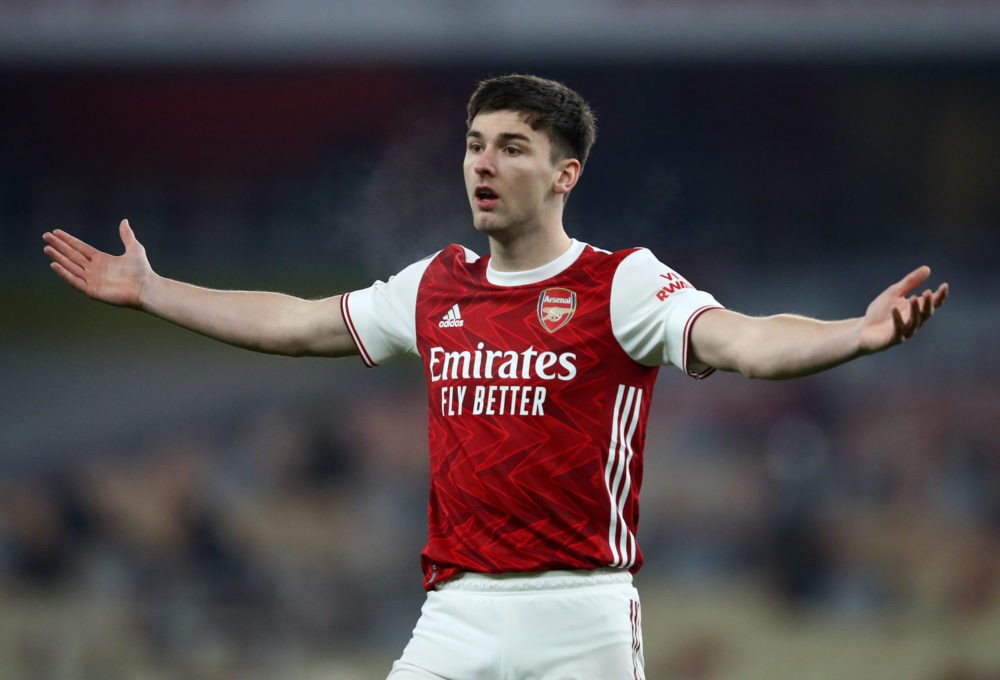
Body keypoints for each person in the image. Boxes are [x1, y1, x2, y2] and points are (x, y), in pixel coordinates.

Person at [43, 74, 948, 679]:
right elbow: (296, 323)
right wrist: (157, 292)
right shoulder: (436, 286)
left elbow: (747, 340)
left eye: (513, 147)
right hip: (457, 611)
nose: (484, 162)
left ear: (566, 173)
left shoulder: (618, 282)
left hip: (580, 612)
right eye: (476, 143)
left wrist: (853, 336)